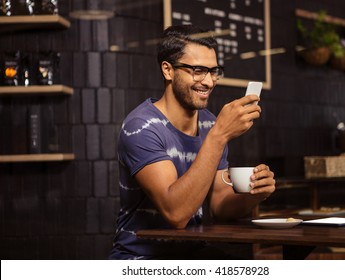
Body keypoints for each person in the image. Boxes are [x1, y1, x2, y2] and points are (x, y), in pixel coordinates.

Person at [109, 25, 276, 260]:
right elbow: (176, 214)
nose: (208, 82)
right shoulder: (141, 126)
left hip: (192, 253)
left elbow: (219, 205)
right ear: (168, 70)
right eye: (198, 71)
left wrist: (254, 193)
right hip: (142, 257)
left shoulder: (210, 124)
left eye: (213, 71)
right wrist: (219, 136)